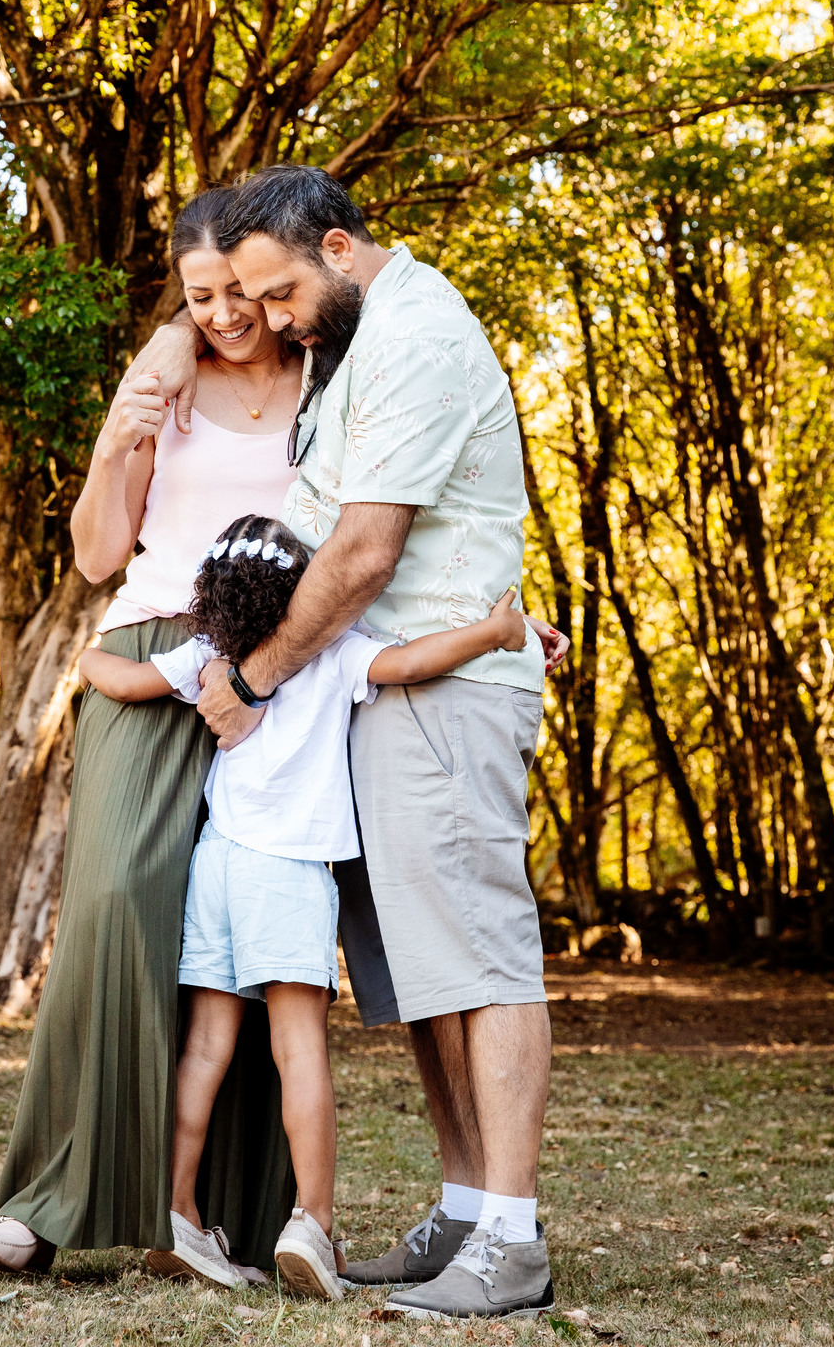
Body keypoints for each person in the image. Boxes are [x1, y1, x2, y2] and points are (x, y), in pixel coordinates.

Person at [132, 165, 570, 1321]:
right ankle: (468, 1211)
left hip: (444, 687)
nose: (267, 323)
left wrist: (252, 682)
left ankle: (513, 1241)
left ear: (337, 246)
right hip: (380, 699)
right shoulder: (349, 337)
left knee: (482, 959)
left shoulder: (416, 336)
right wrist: (171, 351)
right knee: (423, 977)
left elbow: (367, 552)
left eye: (277, 295)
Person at [0, 190, 305, 1277]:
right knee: (115, 904)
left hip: (279, 667)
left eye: (239, 292)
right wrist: (117, 445)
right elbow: (98, 555)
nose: (222, 315)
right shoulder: (165, 375)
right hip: (151, 647)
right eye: (199, 297)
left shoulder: (327, 379)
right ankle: (45, 1201)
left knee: (246, 939)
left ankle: (212, 1213)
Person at [78, 512, 538, 1302]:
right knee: (299, 1053)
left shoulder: (207, 659)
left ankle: (181, 1213)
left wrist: (89, 650)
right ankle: (312, 1224)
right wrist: (495, 633)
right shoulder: (332, 651)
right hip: (287, 876)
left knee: (205, 1049)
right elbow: (411, 661)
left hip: (215, 867)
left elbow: (113, 676)